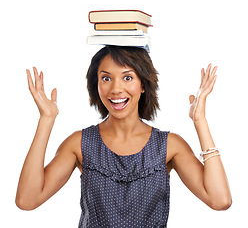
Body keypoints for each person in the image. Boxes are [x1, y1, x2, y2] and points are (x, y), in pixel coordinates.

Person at [16, 45, 232, 227]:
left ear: (143, 85)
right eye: (106, 78)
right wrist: (46, 119)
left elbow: (220, 200)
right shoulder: (80, 143)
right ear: (96, 85)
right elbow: (27, 200)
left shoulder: (169, 145)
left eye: (127, 77)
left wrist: (199, 121)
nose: (116, 89)